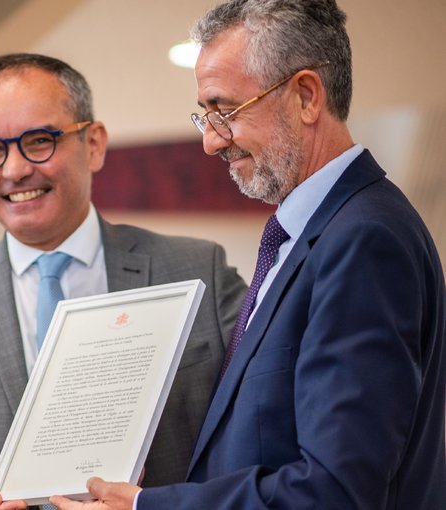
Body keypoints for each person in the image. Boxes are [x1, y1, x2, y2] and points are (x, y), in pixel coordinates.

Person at [48, 1, 446, 509]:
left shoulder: (364, 240)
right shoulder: (313, 235)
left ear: (305, 96)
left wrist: (149, 507)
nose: (211, 143)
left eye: (226, 111)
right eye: (205, 116)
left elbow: (336, 491)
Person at [0, 53, 247, 509]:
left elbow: (254, 418)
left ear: (95, 144)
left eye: (39, 140)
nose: (13, 170)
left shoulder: (199, 269)